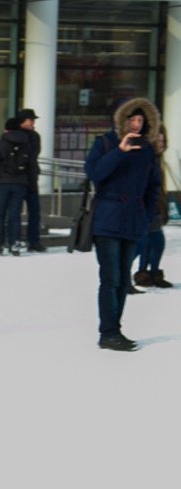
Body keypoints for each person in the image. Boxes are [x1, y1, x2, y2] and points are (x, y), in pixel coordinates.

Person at [84, 97, 161, 352]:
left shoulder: (148, 149)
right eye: (132, 119)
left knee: (123, 278)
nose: (137, 125)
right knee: (111, 277)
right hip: (107, 218)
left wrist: (146, 216)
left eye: (141, 120)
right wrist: (120, 151)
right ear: (121, 119)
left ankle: (114, 329)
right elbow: (95, 173)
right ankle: (108, 332)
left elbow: (153, 187)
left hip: (133, 220)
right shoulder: (105, 143)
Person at [0, 117, 37, 256]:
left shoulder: (2, 143)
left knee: (0, 214)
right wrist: (33, 185)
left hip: (2, 183)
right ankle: (14, 243)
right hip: (20, 183)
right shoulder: (27, 143)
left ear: (7, 128)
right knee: (15, 215)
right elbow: (32, 166)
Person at [132, 124, 173, 291]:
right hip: (145, 208)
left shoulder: (157, 159)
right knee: (151, 243)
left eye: (163, 141)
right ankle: (135, 274)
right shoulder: (147, 159)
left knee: (148, 243)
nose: (161, 144)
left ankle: (146, 274)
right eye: (158, 141)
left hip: (154, 207)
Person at [16, 108, 46, 252]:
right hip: (16, 177)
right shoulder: (12, 134)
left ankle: (33, 240)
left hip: (31, 177)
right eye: (31, 120)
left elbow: (33, 154)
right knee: (15, 211)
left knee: (34, 211)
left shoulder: (34, 136)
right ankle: (15, 239)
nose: (33, 122)